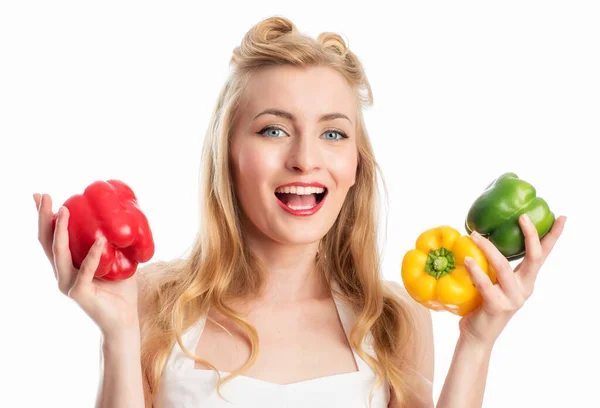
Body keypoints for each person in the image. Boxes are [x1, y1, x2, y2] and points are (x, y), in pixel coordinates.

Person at [34, 16, 566, 408]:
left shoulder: (395, 319)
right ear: (227, 156)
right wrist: (119, 336)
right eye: (273, 130)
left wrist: (476, 342)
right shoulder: (150, 302)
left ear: (356, 165)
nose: (306, 159)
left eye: (333, 133)